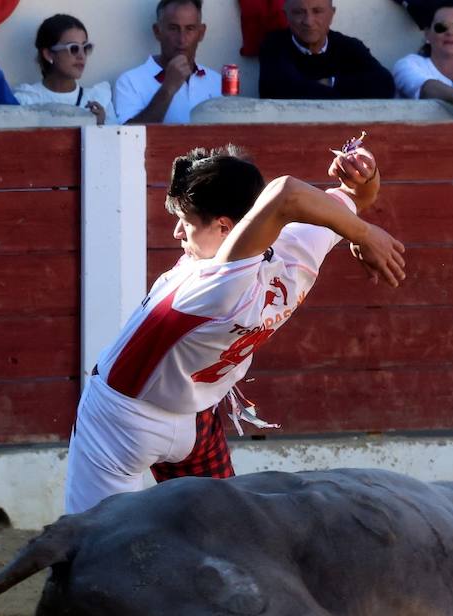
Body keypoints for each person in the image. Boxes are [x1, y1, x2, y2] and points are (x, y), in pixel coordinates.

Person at [63, 140, 406, 514]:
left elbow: (287, 191)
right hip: (198, 419)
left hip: (121, 423)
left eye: (188, 222)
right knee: (221, 539)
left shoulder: (210, 285)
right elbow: (355, 195)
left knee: (89, 545)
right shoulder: (297, 245)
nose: (178, 234)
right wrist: (363, 175)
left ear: (225, 226)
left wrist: (365, 234)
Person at [258, 0, 395, 100]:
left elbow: (385, 85)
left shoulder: (348, 46)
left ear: (332, 14)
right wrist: (351, 89)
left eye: (317, 11)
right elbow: (278, 90)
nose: (308, 21)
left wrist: (331, 82)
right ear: (286, 15)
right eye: (298, 12)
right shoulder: (274, 45)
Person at [114, 0, 221, 125]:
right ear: (157, 31)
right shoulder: (130, 82)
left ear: (201, 33)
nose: (182, 39)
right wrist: (168, 88)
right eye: (173, 28)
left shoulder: (217, 82)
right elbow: (129, 137)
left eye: (190, 29)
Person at [14, 14, 113, 125]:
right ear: (49, 54)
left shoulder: (98, 100)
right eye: (74, 48)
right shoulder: (27, 100)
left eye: (85, 48)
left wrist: (101, 127)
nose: (81, 56)